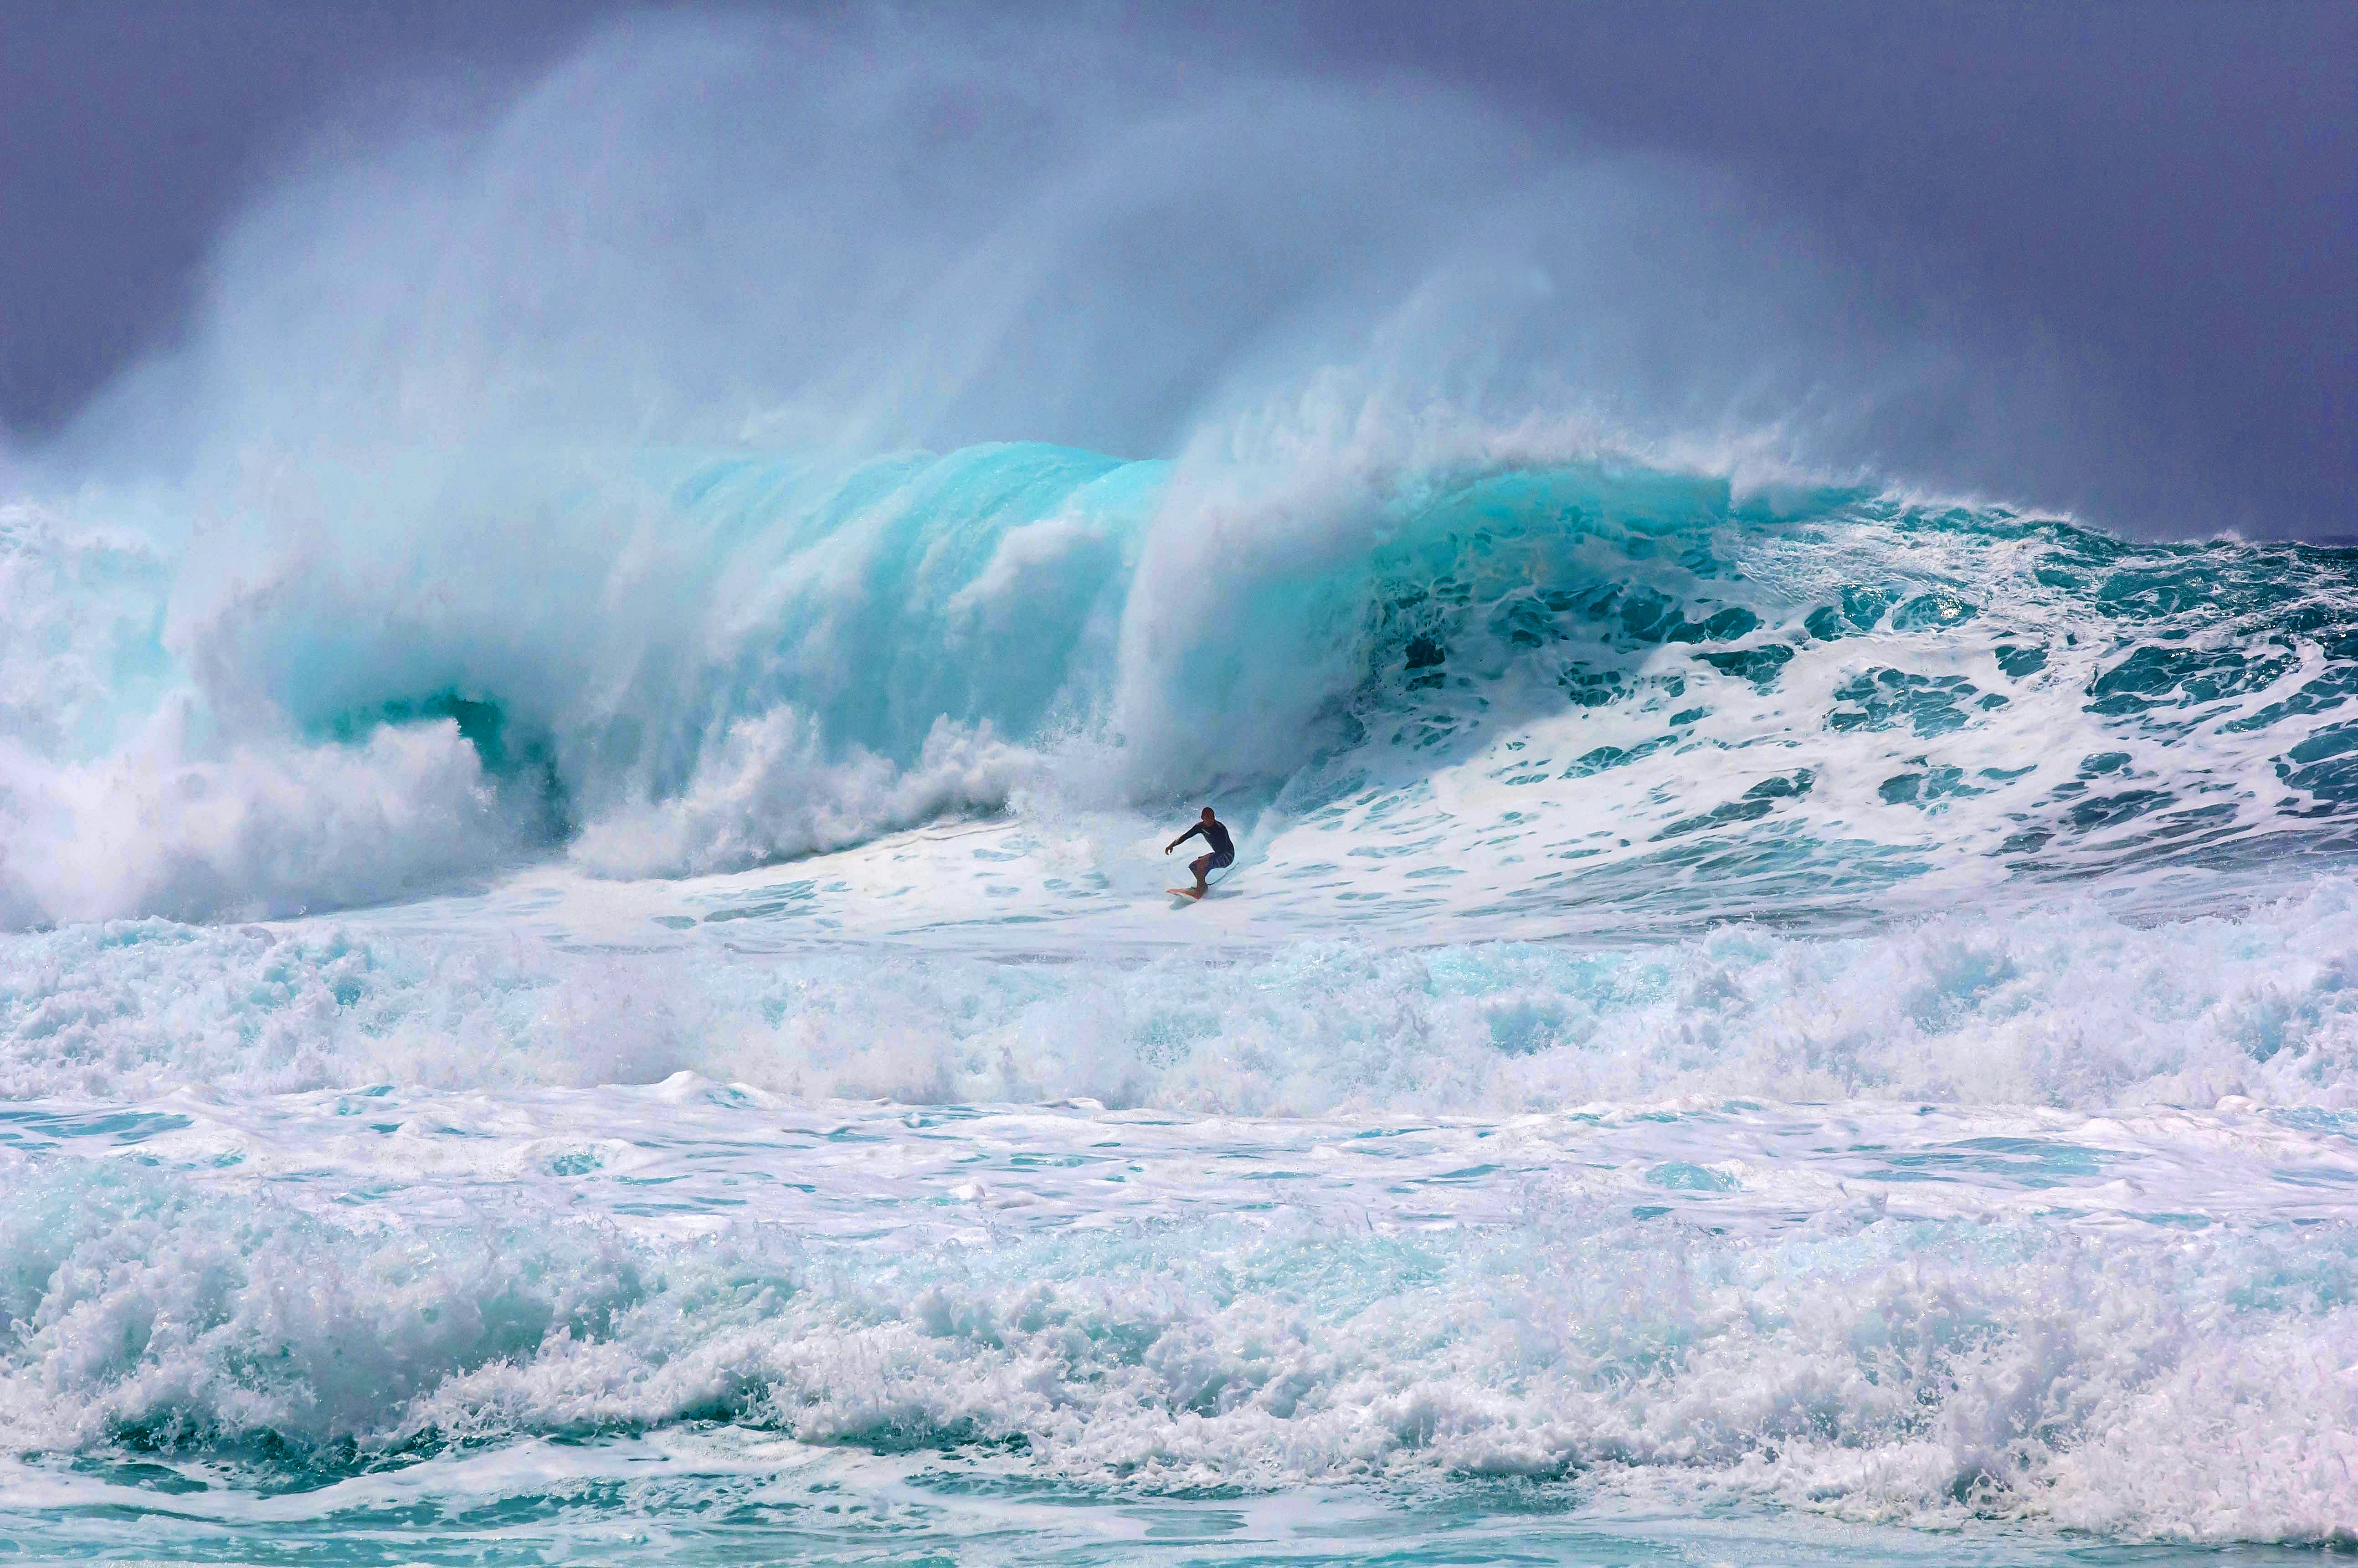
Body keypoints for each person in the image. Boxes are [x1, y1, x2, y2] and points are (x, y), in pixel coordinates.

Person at [1164, 806, 1234, 899]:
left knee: (1201, 863)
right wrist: (1172, 845)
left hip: (1227, 856)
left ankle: (1200, 889)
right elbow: (1186, 836)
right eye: (1208, 818)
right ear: (1202, 818)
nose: (1211, 820)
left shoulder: (1220, 829)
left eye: (1212, 818)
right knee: (1194, 866)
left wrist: (1207, 859)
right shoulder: (1200, 827)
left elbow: (1223, 850)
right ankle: (1202, 886)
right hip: (1218, 854)